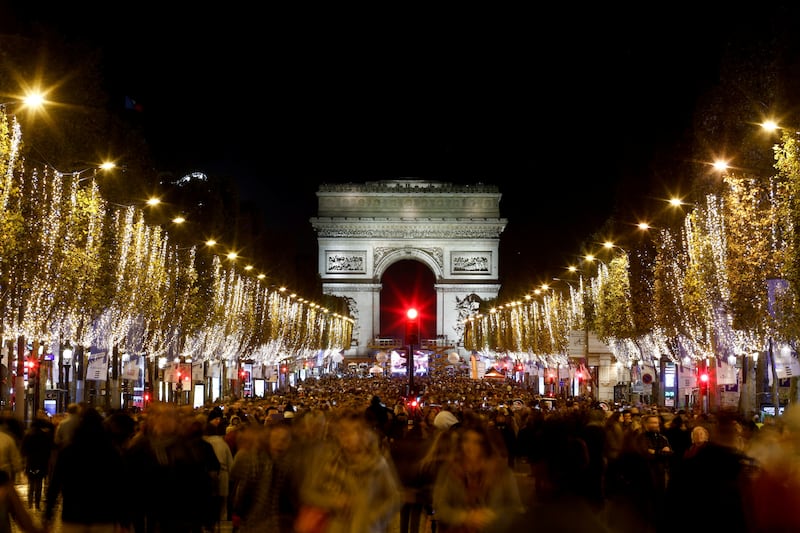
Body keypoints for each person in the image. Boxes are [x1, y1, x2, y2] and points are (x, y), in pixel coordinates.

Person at [300, 408, 403, 533]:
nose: (346, 436)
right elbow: (308, 492)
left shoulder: (377, 465)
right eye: (342, 431)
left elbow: (394, 498)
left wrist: (373, 517)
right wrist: (333, 501)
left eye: (352, 431)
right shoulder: (330, 461)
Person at [44, 406, 131, 532]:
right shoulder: (111, 452)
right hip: (103, 516)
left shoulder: (68, 451)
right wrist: (124, 520)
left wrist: (48, 514)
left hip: (74, 514)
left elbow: (55, 483)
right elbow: (121, 486)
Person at [432, 421, 524, 532]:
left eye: (476, 442)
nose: (469, 446)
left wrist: (491, 516)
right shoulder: (450, 470)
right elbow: (440, 507)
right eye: (466, 440)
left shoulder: (502, 472)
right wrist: (464, 517)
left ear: (485, 446)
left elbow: (515, 507)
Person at [20, 415, 54, 510]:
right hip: (41, 463)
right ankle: (37, 504)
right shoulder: (44, 436)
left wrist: (24, 461)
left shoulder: (28, 435)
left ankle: (30, 502)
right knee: (39, 483)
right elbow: (48, 450)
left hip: (31, 462)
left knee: (31, 483)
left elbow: (23, 449)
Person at [0, 469, 45, 533]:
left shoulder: (4, 485)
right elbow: (24, 521)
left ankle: (33, 503)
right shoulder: (5, 486)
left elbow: (24, 520)